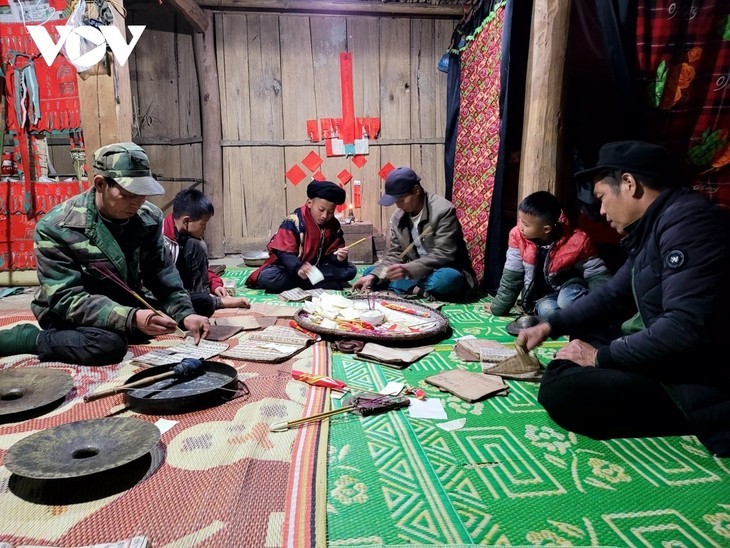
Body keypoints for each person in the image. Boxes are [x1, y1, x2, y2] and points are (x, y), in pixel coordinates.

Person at [518, 141, 730, 457]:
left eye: (602, 197)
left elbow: (683, 327)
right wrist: (550, 325)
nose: (601, 211)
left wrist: (601, 357)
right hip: (671, 351)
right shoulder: (656, 224)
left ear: (629, 184)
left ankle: (690, 416)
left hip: (697, 377)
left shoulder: (690, 225)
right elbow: (613, 294)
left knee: (561, 388)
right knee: (584, 333)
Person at [0, 142, 211, 365]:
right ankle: (30, 338)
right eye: (129, 194)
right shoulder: (57, 227)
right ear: (101, 184)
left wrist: (185, 314)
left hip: (125, 299)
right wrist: (130, 318)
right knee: (108, 345)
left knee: (201, 303)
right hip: (73, 310)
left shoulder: (149, 217)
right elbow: (66, 298)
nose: (138, 202)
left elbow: (160, 273)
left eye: (143, 194)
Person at [352, 167, 475, 301]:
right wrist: (375, 276)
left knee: (448, 280)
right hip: (414, 271)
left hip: (441, 269)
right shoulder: (398, 217)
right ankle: (417, 289)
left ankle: (405, 286)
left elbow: (444, 253)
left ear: (416, 190)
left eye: (401, 200)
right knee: (370, 273)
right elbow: (396, 254)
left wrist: (409, 268)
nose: (398, 205)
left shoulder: (443, 210)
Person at [486, 191, 611, 318]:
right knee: (548, 312)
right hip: (542, 296)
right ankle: (570, 321)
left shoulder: (578, 240)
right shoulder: (517, 236)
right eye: (520, 220)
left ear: (546, 229)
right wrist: (498, 308)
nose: (520, 227)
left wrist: (602, 305)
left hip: (569, 288)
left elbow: (597, 274)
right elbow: (512, 277)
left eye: (525, 224)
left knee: (566, 301)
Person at [245, 180, 357, 292]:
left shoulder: (333, 225)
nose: (324, 216)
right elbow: (284, 253)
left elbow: (331, 254)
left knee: (350, 270)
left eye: (331, 212)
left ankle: (312, 283)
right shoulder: (295, 220)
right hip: (291, 270)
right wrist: (298, 268)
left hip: (316, 269)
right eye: (321, 210)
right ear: (309, 203)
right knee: (268, 277)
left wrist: (338, 258)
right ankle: (322, 284)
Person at [163, 188, 250, 316]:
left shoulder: (187, 237)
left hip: (184, 288)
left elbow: (204, 269)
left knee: (197, 245)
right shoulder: (162, 240)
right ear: (186, 221)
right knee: (199, 303)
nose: (205, 229)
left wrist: (215, 285)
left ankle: (204, 297)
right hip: (165, 291)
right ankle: (215, 302)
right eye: (203, 224)